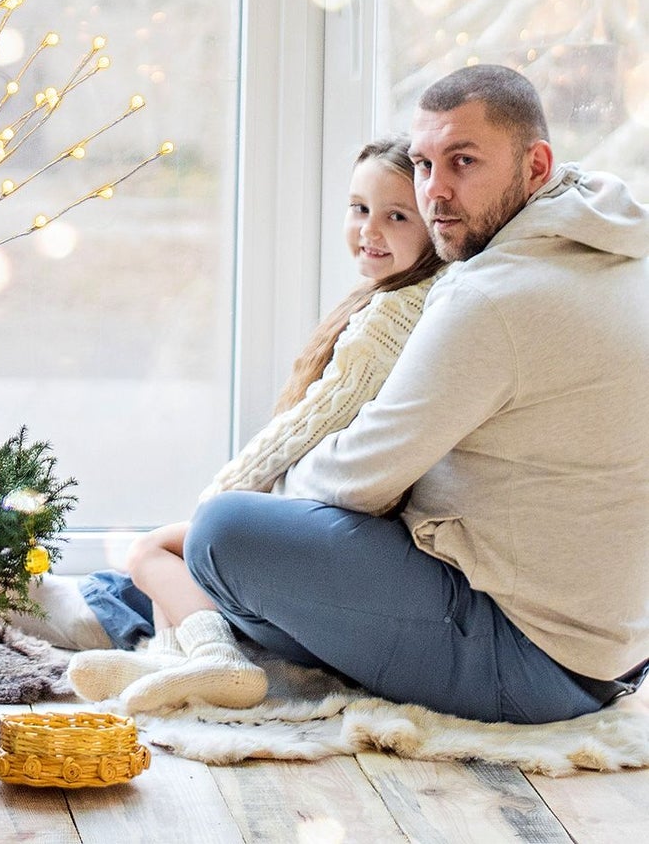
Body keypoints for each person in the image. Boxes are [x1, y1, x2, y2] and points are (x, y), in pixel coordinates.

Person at [183, 65, 649, 724]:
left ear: (535, 163)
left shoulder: (490, 294)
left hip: (530, 661)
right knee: (267, 566)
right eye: (424, 163)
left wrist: (274, 492)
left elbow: (357, 479)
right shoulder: (617, 243)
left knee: (220, 533)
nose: (435, 192)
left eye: (462, 161)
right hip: (616, 647)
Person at [66, 136, 440, 711]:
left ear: (433, 224)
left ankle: (210, 661)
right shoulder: (404, 297)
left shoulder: (394, 314)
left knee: (151, 552)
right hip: (345, 512)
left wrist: (219, 505)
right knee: (159, 555)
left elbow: (310, 422)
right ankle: (174, 661)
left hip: (349, 520)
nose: (370, 229)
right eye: (359, 208)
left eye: (396, 216)